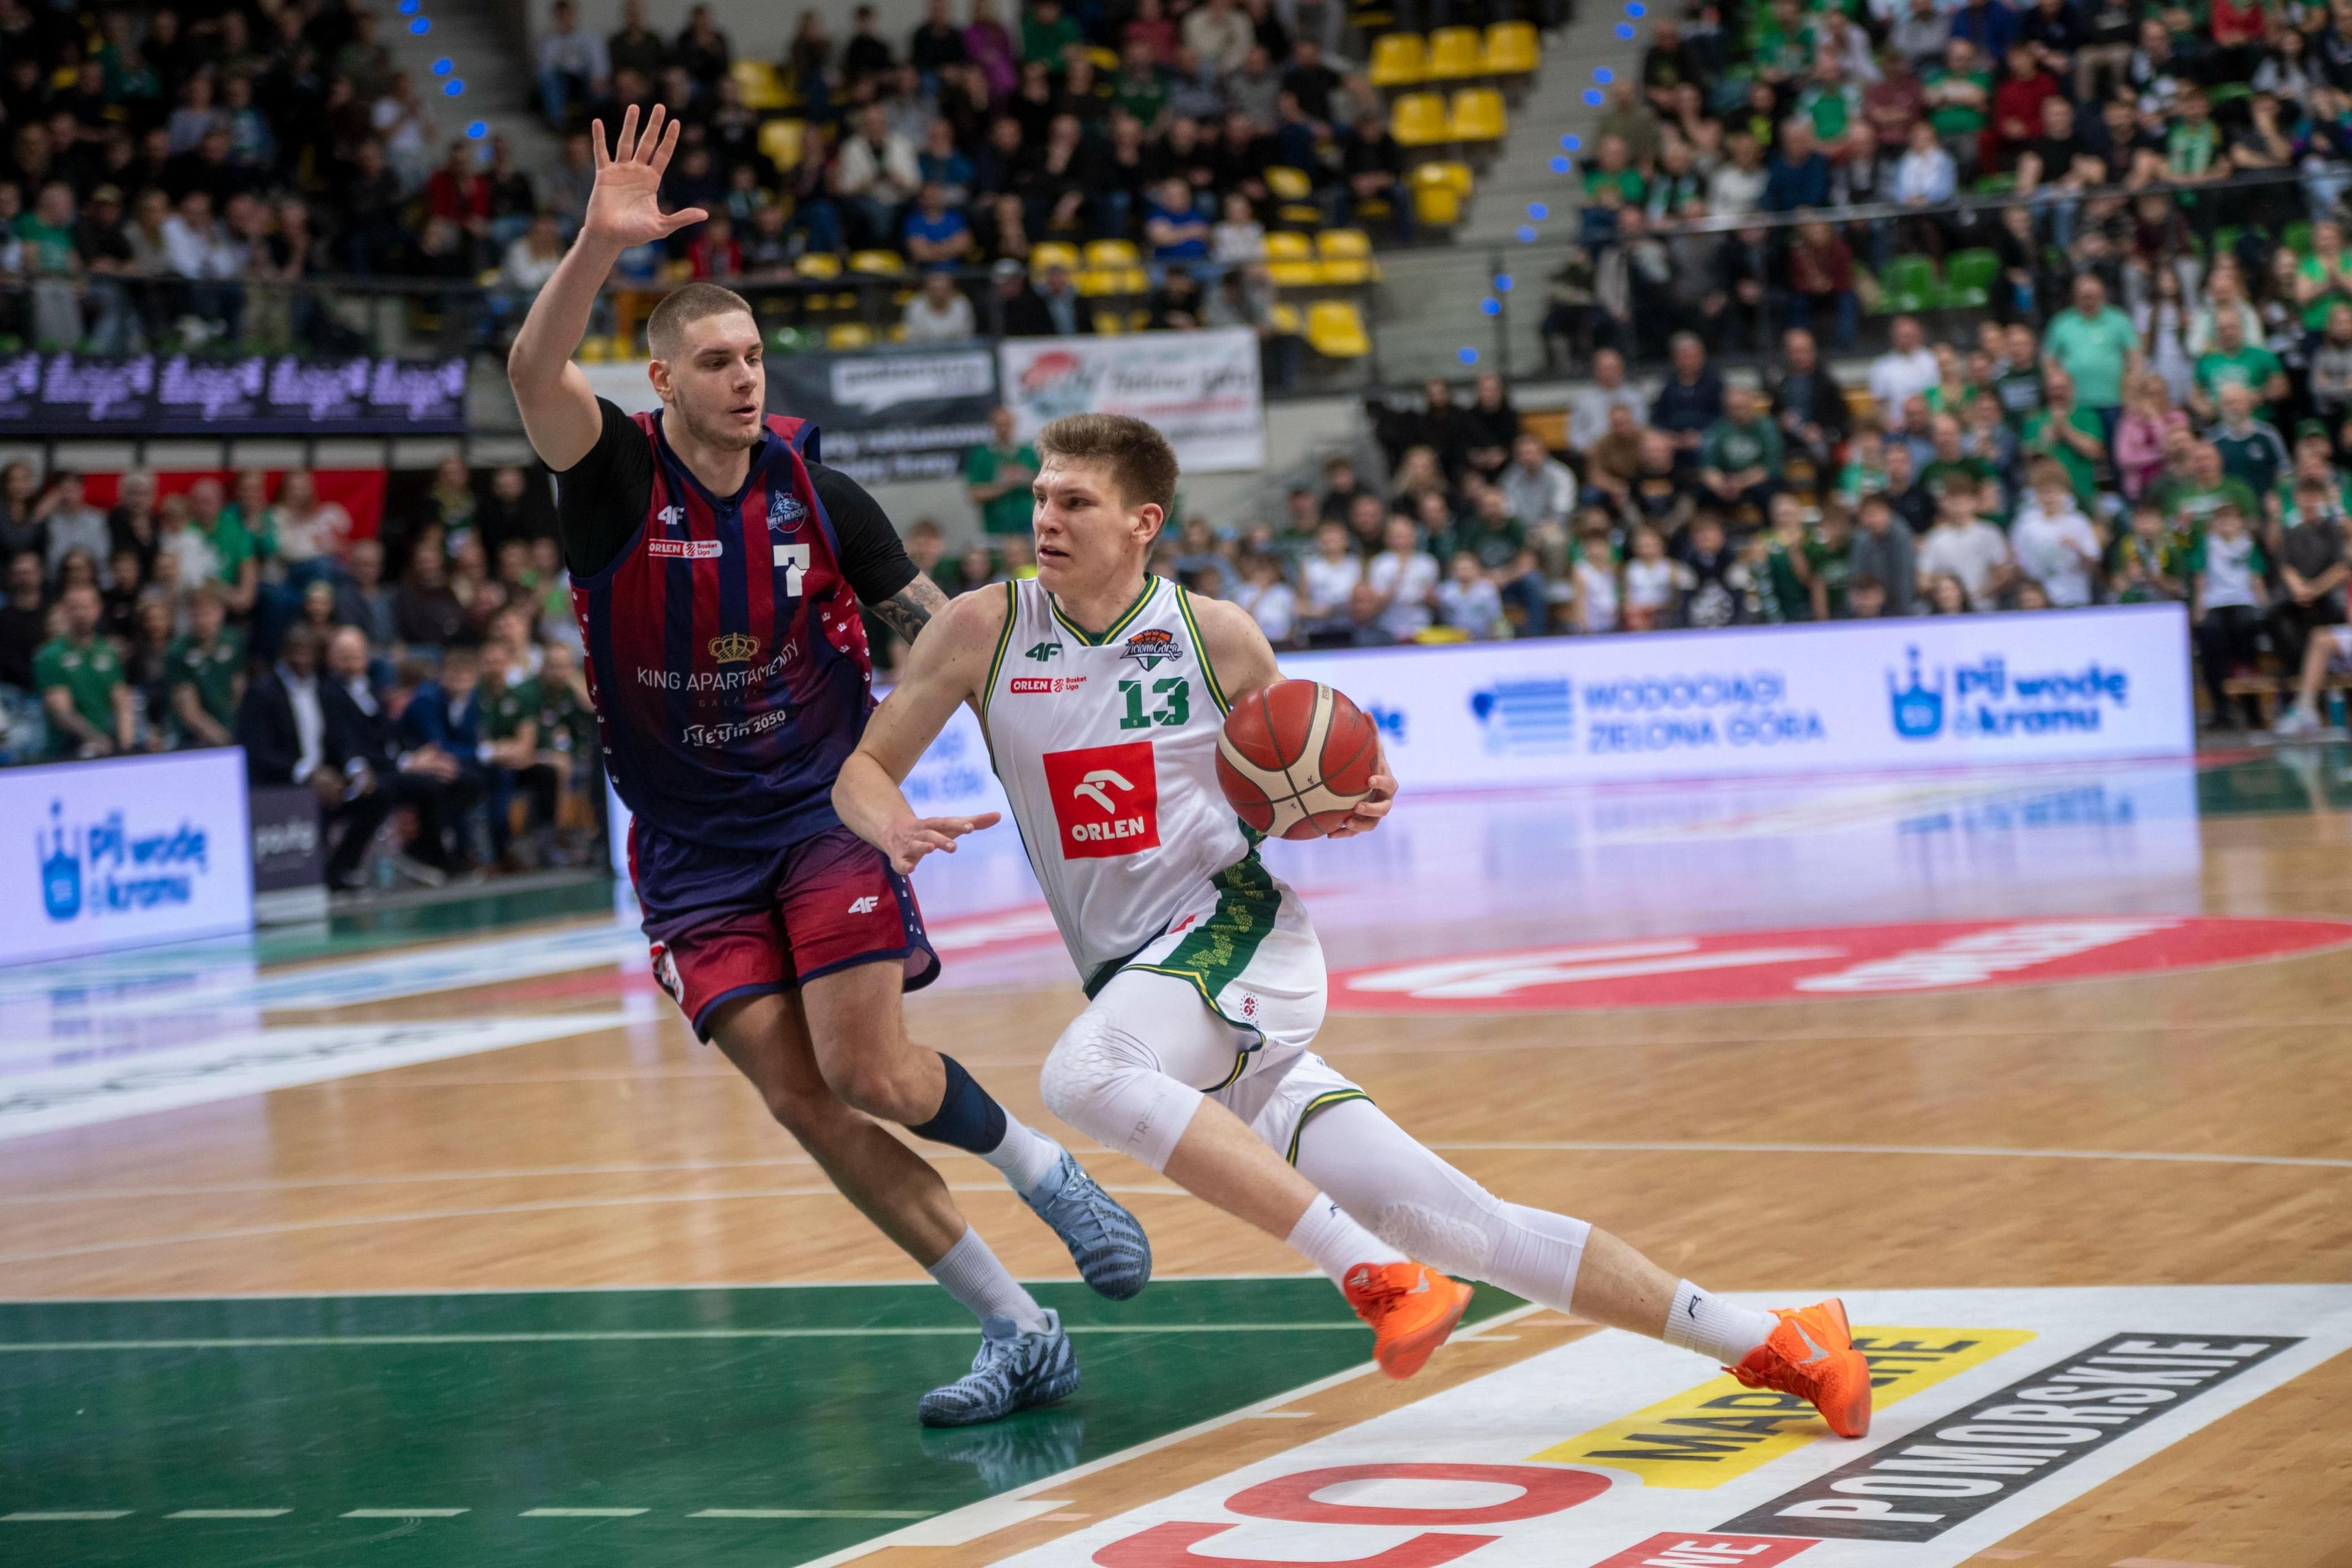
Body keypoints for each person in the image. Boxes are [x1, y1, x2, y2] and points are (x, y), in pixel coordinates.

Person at [834, 412, 1875, 1431]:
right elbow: (864, 770)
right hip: (1158, 993)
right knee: (1467, 1228)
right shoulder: (984, 630)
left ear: (1143, 522)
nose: (1045, 520)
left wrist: (1355, 794)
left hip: (1237, 935)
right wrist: (894, 825)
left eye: (1074, 501)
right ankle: (1779, 1341)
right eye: (1039, 498)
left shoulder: (1213, 636)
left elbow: (1312, 768)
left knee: (1084, 1074)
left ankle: (1375, 1277)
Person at [503, 104, 1147, 1425]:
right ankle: (1020, 1329)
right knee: (803, 1102)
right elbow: (531, 368)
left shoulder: (819, 490)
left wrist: (1055, 742)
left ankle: (1044, 1170)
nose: (745, 378)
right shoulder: (613, 479)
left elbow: (941, 641)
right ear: (661, 379)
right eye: (716, 361)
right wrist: (598, 242)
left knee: (872, 1073)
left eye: (754, 356)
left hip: (818, 813)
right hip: (689, 852)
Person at [37, 582, 137, 758]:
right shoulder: (50, 655)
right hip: (67, 747)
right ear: (65, 611)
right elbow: (61, 713)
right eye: (75, 608)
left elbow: (122, 703)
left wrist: (125, 748)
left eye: (86, 607)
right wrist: (98, 740)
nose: (81, 614)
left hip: (107, 742)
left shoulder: (107, 651)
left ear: (98, 609)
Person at [965, 405, 1041, 538]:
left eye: (1007, 425)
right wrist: (1005, 485)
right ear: (992, 427)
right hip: (995, 528)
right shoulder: (982, 456)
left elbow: (1043, 487)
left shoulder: (1027, 453)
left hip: (1027, 526)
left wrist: (1024, 477)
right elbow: (974, 494)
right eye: (1000, 425)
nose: (1004, 429)